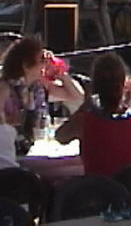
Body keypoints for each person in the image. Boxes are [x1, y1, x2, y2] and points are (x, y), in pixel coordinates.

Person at [56, 53, 131, 177]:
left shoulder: (84, 122)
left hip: (99, 188)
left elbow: (60, 136)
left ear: (94, 86)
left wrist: (85, 105)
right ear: (125, 85)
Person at [0, 37, 84, 169]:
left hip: (33, 150)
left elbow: (77, 96)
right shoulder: (5, 88)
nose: (45, 65)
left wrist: (60, 72)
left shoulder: (38, 88)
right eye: (41, 61)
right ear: (26, 66)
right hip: (11, 155)